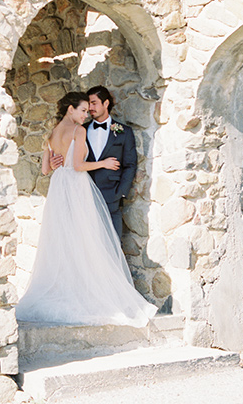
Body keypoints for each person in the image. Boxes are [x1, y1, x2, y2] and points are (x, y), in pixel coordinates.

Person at [15, 92, 156, 327]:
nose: (85, 114)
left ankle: (68, 286)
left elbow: (45, 171)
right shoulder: (79, 131)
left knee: (65, 239)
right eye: (82, 110)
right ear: (70, 109)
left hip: (59, 188)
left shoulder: (51, 133)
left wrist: (58, 162)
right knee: (86, 237)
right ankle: (88, 290)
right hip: (77, 186)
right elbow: (79, 166)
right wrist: (103, 163)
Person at [51, 86, 137, 238]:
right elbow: (70, 159)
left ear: (106, 103)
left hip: (112, 196)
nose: (90, 108)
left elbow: (130, 165)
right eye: (88, 104)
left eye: (94, 103)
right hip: (83, 195)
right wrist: (54, 164)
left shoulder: (124, 132)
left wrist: (121, 193)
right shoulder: (79, 129)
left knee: (114, 243)